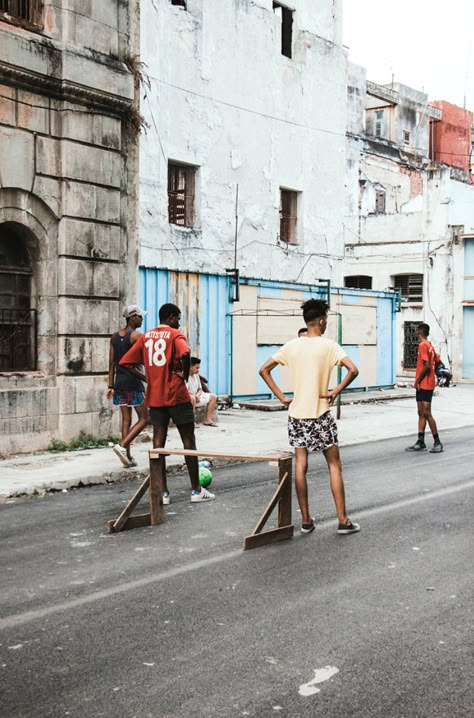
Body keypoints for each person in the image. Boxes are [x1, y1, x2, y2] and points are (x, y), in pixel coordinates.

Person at [259, 299, 360, 536]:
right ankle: (343, 520)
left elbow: (264, 370)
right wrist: (335, 391)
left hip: (297, 415)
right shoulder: (329, 346)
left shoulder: (291, 346)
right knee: (334, 465)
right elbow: (353, 370)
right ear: (322, 321)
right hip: (320, 413)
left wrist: (282, 397)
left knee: (301, 466)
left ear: (306, 320)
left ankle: (305, 520)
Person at [114, 303, 215, 505]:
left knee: (158, 444)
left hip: (156, 397)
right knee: (188, 440)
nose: (179, 322)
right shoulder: (176, 336)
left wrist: (147, 377)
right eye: (177, 318)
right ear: (170, 317)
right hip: (176, 395)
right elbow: (186, 355)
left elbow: (125, 362)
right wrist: (184, 376)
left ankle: (163, 493)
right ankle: (196, 490)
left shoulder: (146, 336)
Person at [107, 305, 149, 467]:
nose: (142, 319)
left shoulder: (114, 337)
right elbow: (145, 358)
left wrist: (111, 384)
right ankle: (123, 446)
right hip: (134, 382)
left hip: (119, 383)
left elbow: (112, 363)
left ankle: (127, 457)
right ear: (132, 318)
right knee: (145, 418)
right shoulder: (137, 336)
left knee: (126, 419)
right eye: (139, 316)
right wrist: (147, 378)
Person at [406, 323, 443, 453]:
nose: (416, 333)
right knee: (421, 412)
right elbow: (437, 360)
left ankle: (437, 441)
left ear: (419, 332)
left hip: (425, 383)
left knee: (427, 413)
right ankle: (420, 441)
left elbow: (427, 365)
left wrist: (417, 381)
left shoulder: (423, 345)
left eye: (417, 331)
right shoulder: (430, 345)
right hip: (425, 384)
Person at [187, 357, 218, 427]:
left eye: (198, 368)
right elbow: (185, 390)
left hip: (197, 396)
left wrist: (198, 395)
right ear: (190, 367)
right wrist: (195, 396)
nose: (198, 370)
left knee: (213, 396)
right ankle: (192, 421)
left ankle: (208, 419)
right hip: (189, 398)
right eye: (196, 368)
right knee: (192, 398)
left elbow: (200, 389)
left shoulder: (196, 376)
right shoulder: (185, 376)